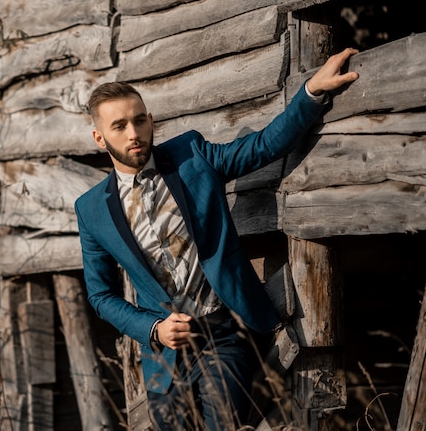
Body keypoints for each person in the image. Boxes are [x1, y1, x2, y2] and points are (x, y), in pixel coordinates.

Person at [75, 48, 360, 430]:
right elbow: (101, 295)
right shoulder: (91, 209)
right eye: (119, 126)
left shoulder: (191, 155)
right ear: (99, 137)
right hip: (163, 355)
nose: (134, 133)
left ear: (150, 120)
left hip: (222, 333)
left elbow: (263, 146)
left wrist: (311, 92)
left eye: (139, 121)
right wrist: (153, 329)